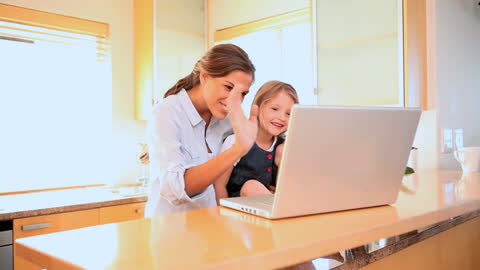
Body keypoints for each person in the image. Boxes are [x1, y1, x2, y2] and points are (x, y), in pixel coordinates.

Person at [144, 44, 258, 217]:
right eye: (228, 87)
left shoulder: (226, 121)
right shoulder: (167, 112)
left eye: (242, 94)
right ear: (205, 77)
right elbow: (175, 188)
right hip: (171, 235)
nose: (235, 100)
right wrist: (237, 149)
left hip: (210, 231)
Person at [214, 81, 299, 202]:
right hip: (236, 208)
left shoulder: (282, 146)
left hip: (269, 206)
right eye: (275, 109)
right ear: (257, 108)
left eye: (289, 114)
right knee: (251, 186)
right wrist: (222, 216)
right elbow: (219, 185)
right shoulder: (236, 141)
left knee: (284, 150)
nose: (282, 117)